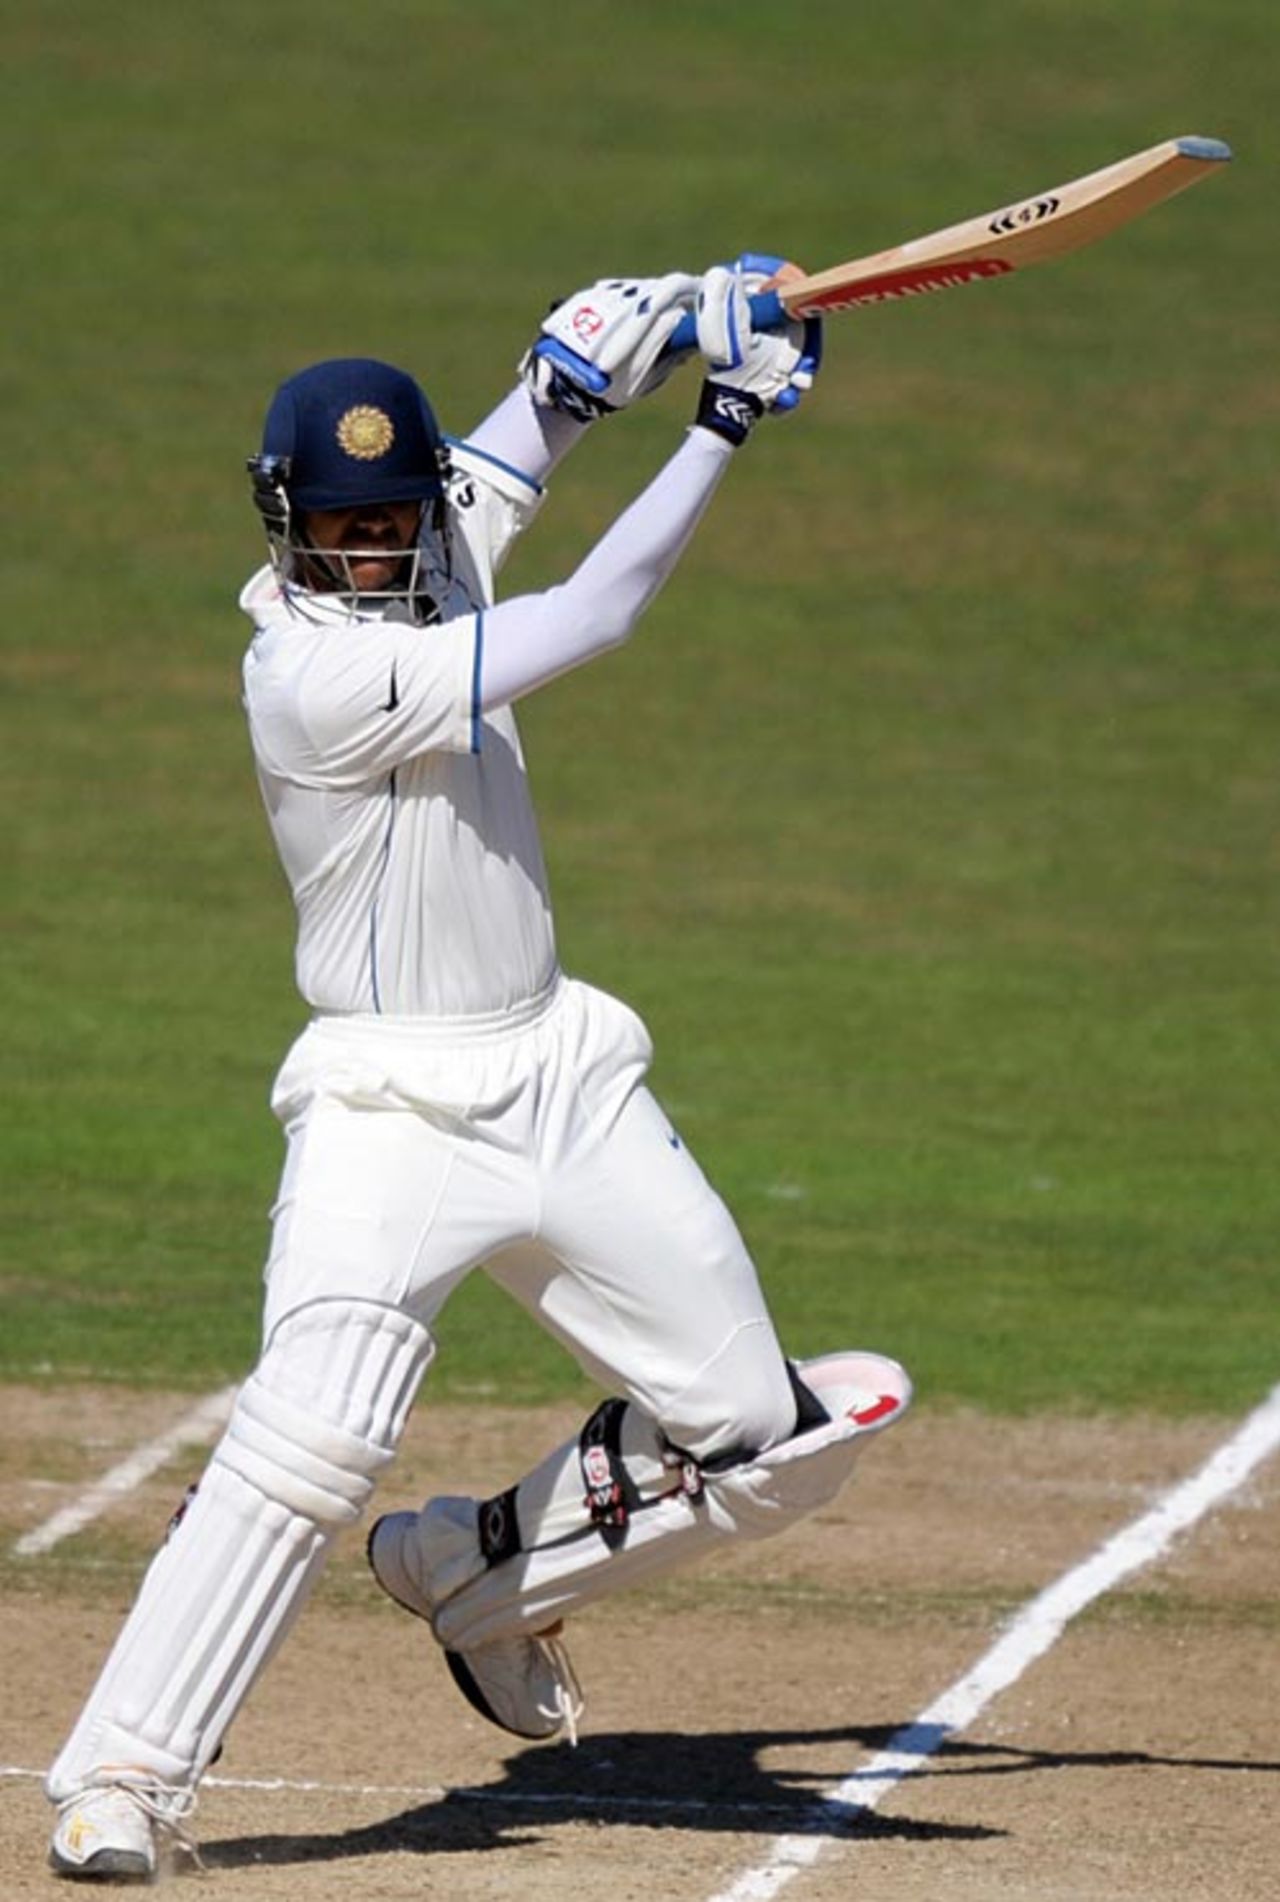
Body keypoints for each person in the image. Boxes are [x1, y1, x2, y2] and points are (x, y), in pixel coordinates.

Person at [44, 258, 911, 1882]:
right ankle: (125, 1776)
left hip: (562, 1073)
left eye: (389, 526)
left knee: (768, 1435)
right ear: (284, 524)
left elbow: (497, 472)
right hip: (390, 1103)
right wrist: (721, 413)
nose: (371, 553)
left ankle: (475, 1571)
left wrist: (612, 346)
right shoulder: (312, 676)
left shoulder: (434, 544)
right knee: (310, 1439)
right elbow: (599, 613)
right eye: (342, 530)